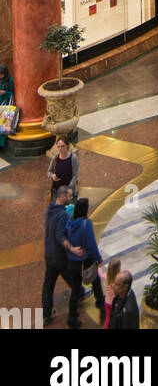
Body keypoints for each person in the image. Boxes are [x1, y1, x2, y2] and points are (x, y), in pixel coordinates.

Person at [64, 198, 104, 328]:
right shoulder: (86, 224)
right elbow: (91, 245)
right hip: (85, 261)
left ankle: (72, 317)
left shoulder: (69, 222)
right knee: (96, 281)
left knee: (75, 291)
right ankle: (100, 302)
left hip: (72, 261)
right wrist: (98, 258)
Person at [42, 185, 74, 324]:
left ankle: (46, 314)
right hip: (59, 255)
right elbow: (60, 235)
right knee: (72, 278)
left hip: (48, 253)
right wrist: (71, 248)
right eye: (69, 196)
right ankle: (80, 294)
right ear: (62, 196)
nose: (71, 198)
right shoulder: (63, 215)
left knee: (48, 283)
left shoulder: (49, 210)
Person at [47, 135, 79, 201]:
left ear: (67, 146)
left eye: (62, 146)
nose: (60, 149)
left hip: (69, 192)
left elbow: (75, 175)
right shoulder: (55, 158)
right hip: (57, 191)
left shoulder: (73, 158)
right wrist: (52, 176)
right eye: (58, 147)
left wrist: (68, 189)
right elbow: (48, 172)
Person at [101, 258, 122, 328]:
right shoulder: (118, 279)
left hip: (107, 302)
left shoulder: (106, 276)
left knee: (108, 317)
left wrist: (99, 268)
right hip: (115, 303)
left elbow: (100, 274)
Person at [0, 63, 13, 150]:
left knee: (3, 126)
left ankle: (1, 145)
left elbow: (13, 94)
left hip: (6, 106)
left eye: (1, 74)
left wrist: (5, 93)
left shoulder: (10, 81)